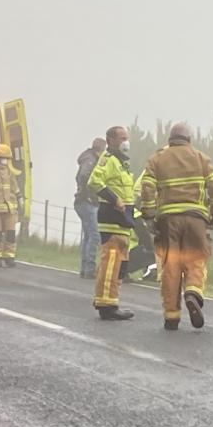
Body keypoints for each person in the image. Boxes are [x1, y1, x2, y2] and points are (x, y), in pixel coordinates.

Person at [140, 123, 213, 330]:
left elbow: (147, 187)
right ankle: (193, 292)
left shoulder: (157, 158)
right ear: (188, 139)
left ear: (170, 139)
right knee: (196, 260)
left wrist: (149, 216)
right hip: (196, 219)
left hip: (168, 221)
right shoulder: (200, 158)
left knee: (171, 266)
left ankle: (172, 316)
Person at [87, 126, 136, 321]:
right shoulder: (108, 160)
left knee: (120, 266)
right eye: (122, 138)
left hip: (123, 222)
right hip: (112, 220)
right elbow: (94, 181)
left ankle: (112, 301)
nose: (126, 141)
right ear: (111, 141)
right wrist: (114, 199)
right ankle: (106, 305)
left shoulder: (121, 163)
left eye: (127, 137)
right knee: (111, 263)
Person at [74, 138, 106, 279]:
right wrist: (90, 192)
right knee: (94, 235)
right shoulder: (91, 159)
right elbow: (84, 175)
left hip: (83, 201)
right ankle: (89, 268)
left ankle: (84, 267)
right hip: (87, 202)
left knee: (88, 234)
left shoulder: (87, 157)